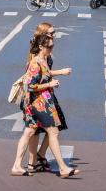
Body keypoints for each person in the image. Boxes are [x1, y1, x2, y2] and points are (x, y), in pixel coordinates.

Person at [10, 33, 77, 178]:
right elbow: (30, 86)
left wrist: (56, 78)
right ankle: (62, 168)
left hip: (42, 101)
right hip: (38, 104)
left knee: (29, 132)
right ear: (41, 47)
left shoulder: (43, 60)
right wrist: (50, 84)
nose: (51, 49)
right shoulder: (35, 63)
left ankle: (16, 166)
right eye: (49, 47)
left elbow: (44, 76)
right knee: (53, 132)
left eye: (53, 46)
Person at [25, 23, 71, 173]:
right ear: (44, 35)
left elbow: (46, 72)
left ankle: (40, 156)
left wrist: (53, 79)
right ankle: (33, 163)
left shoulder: (46, 50)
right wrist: (60, 73)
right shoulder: (36, 55)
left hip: (47, 94)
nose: (54, 35)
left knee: (54, 127)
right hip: (37, 98)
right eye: (51, 33)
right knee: (35, 130)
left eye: (54, 32)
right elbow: (36, 78)